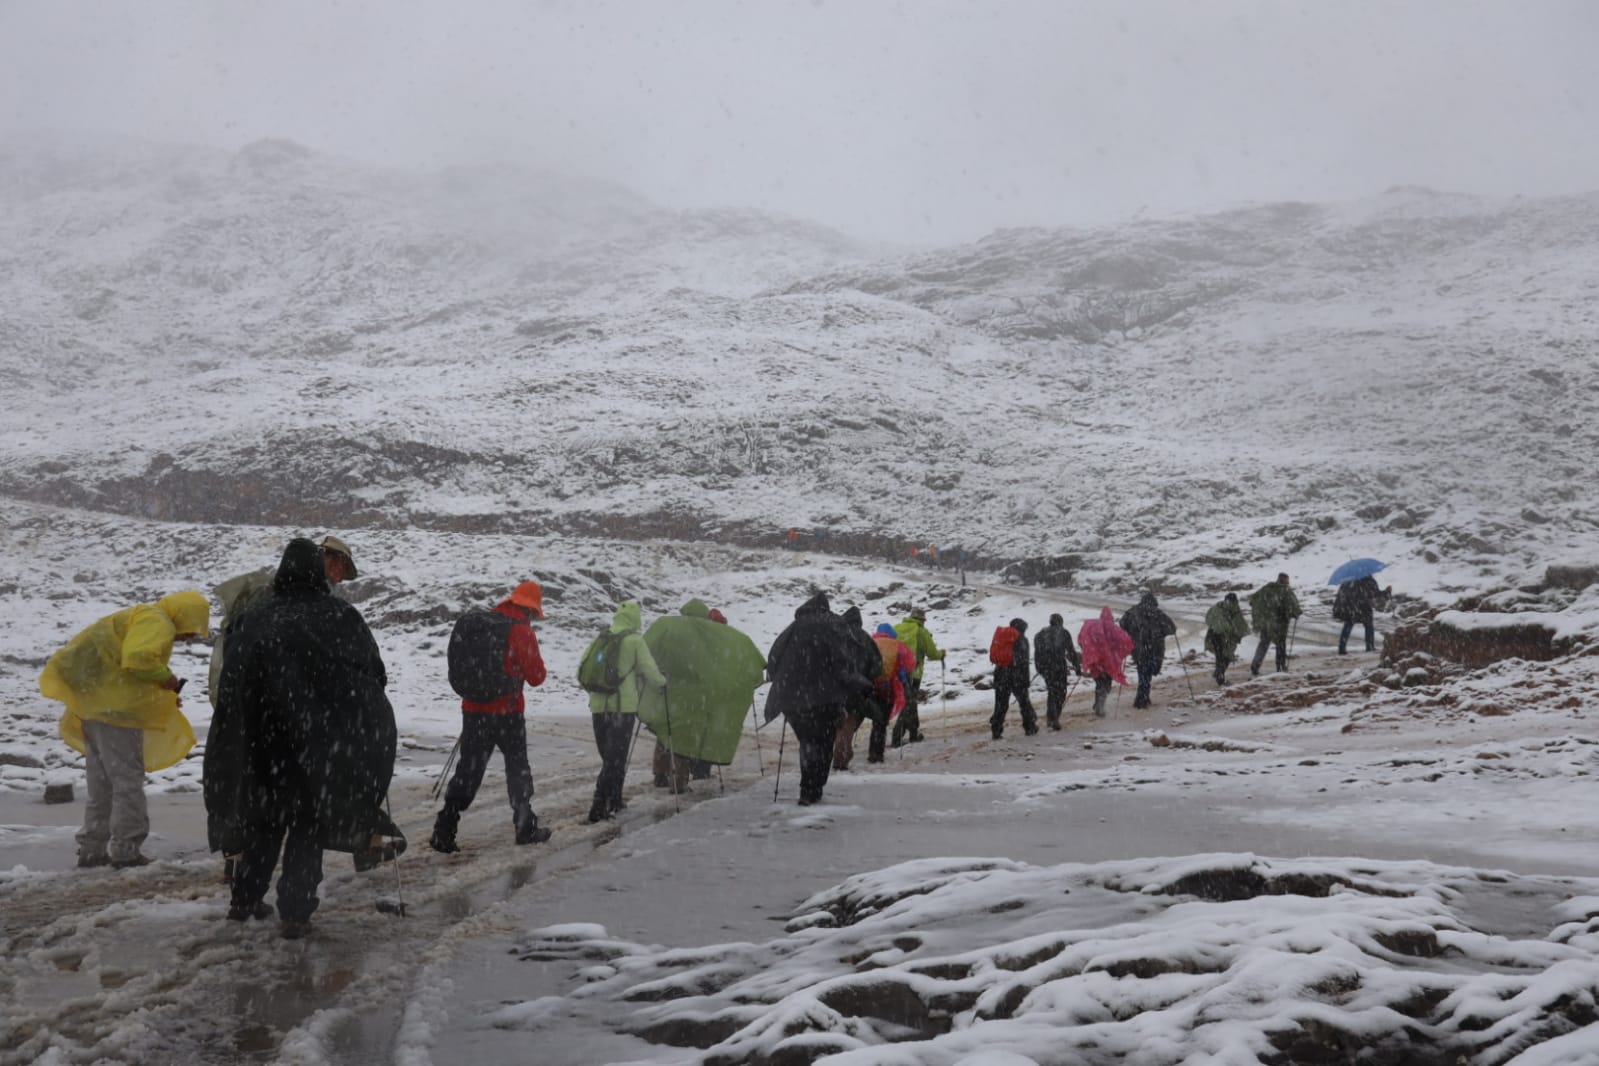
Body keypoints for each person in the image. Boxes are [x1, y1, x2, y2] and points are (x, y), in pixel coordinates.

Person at [205, 539, 395, 938]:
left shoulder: (255, 617)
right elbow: (371, 674)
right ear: (318, 571)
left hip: (262, 745)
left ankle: (244, 900)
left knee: (263, 824)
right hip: (317, 744)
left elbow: (233, 683)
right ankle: (295, 911)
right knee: (307, 826)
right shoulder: (340, 616)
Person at [41, 590, 210, 869]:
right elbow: (138, 659)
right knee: (127, 782)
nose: (189, 637)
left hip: (94, 709)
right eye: (191, 629)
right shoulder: (159, 622)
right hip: (117, 715)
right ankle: (126, 850)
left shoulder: (141, 615)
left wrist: (161, 692)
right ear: (182, 616)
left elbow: (123, 668)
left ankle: (92, 849)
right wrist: (168, 678)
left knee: (102, 783)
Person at [430, 581, 551, 852]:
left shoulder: (482, 624)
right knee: (517, 768)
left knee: (469, 770)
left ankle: (445, 828)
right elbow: (537, 677)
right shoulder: (521, 631)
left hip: (474, 710)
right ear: (530, 610)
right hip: (508, 712)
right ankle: (524, 826)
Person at [208, 534, 358, 707]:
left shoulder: (307, 594)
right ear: (333, 562)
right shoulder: (289, 595)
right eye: (342, 568)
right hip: (273, 687)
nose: (340, 578)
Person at [638, 599, 764, 793]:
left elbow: (648, 652)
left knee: (667, 731)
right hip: (697, 697)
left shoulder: (670, 628)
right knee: (684, 739)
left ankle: (660, 774)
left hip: (671, 694)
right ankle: (679, 783)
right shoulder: (710, 636)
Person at [764, 592, 875, 805]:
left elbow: (774, 658)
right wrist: (860, 684)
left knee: (808, 740)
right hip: (827, 697)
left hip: (793, 698)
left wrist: (783, 681)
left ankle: (808, 787)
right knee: (823, 742)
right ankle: (814, 787)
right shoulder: (834, 624)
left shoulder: (793, 628)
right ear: (825, 608)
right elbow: (845, 661)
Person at [585, 600, 667, 823]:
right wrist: (662, 683)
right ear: (635, 618)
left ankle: (615, 798)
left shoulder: (601, 638)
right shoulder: (634, 641)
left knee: (609, 757)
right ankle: (599, 804)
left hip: (598, 708)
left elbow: (581, 670)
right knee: (615, 758)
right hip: (622, 708)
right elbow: (650, 671)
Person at [832, 606, 888, 770]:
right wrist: (865, 677)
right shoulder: (866, 639)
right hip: (857, 689)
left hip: (835, 688)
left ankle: (834, 755)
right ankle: (841, 759)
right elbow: (877, 667)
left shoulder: (835, 635)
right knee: (849, 723)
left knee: (836, 722)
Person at [891, 607, 946, 747]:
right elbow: (932, 653)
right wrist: (942, 654)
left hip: (896, 673)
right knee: (908, 704)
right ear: (922, 620)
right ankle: (897, 737)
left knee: (910, 702)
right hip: (913, 674)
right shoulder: (921, 631)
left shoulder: (897, 628)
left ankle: (914, 733)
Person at [1120, 592, 1177, 709]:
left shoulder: (1132, 612)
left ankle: (1143, 697)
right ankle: (1142, 699)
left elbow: (1122, 624)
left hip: (1137, 649)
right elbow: (1172, 628)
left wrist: (1132, 633)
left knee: (1142, 672)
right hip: (1154, 649)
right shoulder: (1158, 614)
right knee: (1147, 673)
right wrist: (1160, 634)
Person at [1078, 607, 1134, 718]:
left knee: (1099, 683)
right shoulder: (1112, 628)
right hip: (1107, 663)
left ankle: (1098, 704)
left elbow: (1081, 638)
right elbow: (1124, 639)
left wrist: (1088, 651)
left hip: (1096, 662)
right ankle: (1100, 706)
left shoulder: (1092, 626)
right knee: (1106, 685)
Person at [1033, 613, 1084, 730]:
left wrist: (1039, 668)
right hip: (1059, 667)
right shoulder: (1064, 633)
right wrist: (1077, 667)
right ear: (1060, 622)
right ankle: (1054, 718)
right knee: (1060, 692)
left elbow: (1037, 653)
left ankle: (1051, 717)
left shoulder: (1040, 634)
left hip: (1046, 668)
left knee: (1052, 692)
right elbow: (1071, 651)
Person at [990, 618, 1037, 739]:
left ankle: (996, 729)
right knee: (1024, 703)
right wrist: (1025, 680)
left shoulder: (1003, 638)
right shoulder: (1021, 639)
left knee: (1000, 704)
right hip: (1017, 676)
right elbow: (1024, 662)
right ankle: (1030, 727)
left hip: (1000, 674)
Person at [1249, 572, 1303, 675]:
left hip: (1266, 623)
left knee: (1263, 644)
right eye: (1287, 580)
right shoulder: (1286, 591)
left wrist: (1264, 612)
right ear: (1284, 580)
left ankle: (1255, 666)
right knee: (1280, 645)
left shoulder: (1266, 589)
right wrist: (1296, 613)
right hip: (1280, 624)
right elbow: (1292, 607)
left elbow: (1252, 600)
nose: (1289, 582)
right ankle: (1280, 667)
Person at [1333, 576, 1392, 654]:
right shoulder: (1369, 580)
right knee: (1368, 626)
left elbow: (1341, 595)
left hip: (1350, 608)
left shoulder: (1348, 580)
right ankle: (1369, 647)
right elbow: (1375, 594)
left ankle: (1341, 648)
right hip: (1364, 607)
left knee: (1348, 626)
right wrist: (1386, 592)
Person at [1203, 593, 1251, 685]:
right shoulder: (1222, 609)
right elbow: (1236, 623)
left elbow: (1208, 619)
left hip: (1218, 635)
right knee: (1224, 657)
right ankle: (1220, 679)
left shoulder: (1218, 608)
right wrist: (1233, 631)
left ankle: (1219, 673)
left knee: (1222, 656)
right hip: (1220, 636)